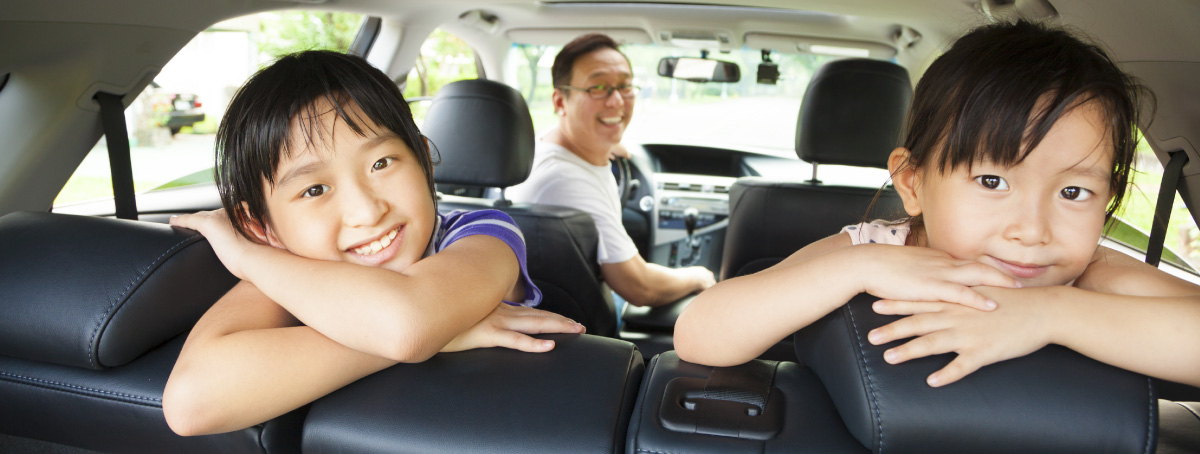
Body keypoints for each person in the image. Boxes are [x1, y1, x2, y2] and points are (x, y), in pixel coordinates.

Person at [675, 21, 1200, 389]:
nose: (1032, 230)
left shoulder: (1084, 271)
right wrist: (857, 269)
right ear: (912, 183)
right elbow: (699, 334)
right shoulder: (877, 249)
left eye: (1073, 192)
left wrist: (1054, 313)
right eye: (993, 180)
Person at [162, 50, 584, 436]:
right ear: (265, 229)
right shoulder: (282, 266)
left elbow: (408, 324)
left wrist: (242, 254)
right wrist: (447, 331)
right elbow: (190, 403)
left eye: (381, 163)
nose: (367, 212)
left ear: (423, 160)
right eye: (314, 190)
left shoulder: (486, 235)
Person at [508, 33, 715, 308]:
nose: (617, 101)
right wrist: (698, 276)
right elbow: (640, 287)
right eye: (598, 87)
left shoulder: (548, 149)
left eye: (625, 86)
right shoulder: (567, 181)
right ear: (560, 102)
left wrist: (607, 143)